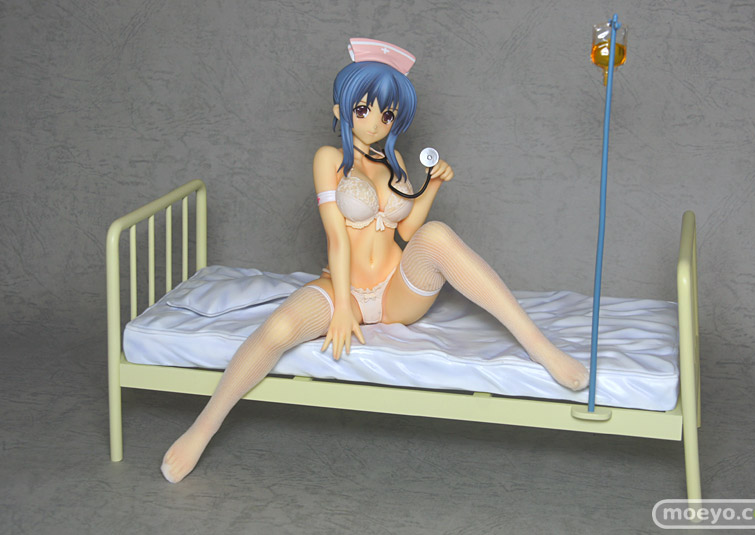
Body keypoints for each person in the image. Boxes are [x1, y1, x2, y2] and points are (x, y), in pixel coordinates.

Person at [160, 38, 588, 484]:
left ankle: (539, 346)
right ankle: (202, 429)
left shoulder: (394, 160)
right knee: (280, 328)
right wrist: (343, 308)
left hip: (395, 292)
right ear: (340, 110)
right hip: (342, 288)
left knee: (437, 234)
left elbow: (405, 231)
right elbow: (336, 236)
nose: (375, 122)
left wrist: (431, 186)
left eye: (387, 115)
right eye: (363, 109)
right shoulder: (329, 159)